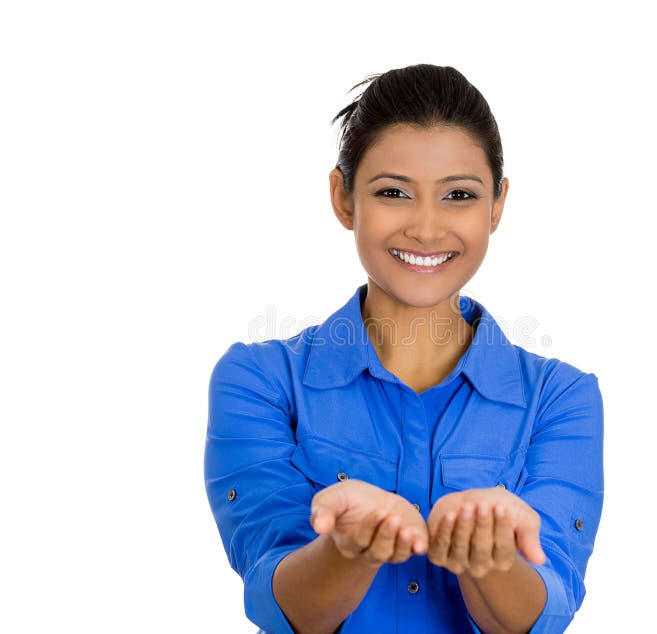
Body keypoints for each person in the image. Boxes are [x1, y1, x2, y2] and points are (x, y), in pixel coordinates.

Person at [204, 63, 604, 634]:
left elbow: (546, 611)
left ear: (497, 205)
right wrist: (348, 549)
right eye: (393, 192)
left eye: (459, 195)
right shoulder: (259, 381)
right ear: (343, 198)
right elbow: (280, 600)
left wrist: (491, 563)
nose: (425, 228)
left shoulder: (562, 398)